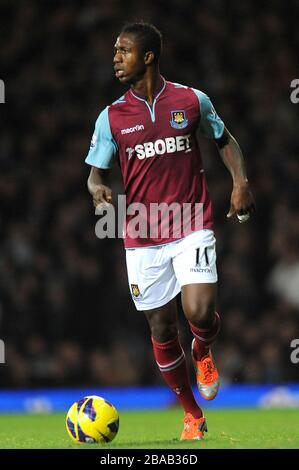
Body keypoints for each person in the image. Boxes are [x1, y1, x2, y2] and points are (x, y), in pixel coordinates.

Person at [85, 22, 255, 441]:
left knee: (198, 311)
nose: (115, 58)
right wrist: (98, 189)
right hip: (142, 234)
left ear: (148, 56)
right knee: (161, 328)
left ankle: (203, 349)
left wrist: (240, 182)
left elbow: (224, 139)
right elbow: (94, 175)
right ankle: (191, 413)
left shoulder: (191, 100)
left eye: (123, 50)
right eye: (114, 50)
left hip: (191, 222)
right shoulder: (111, 118)